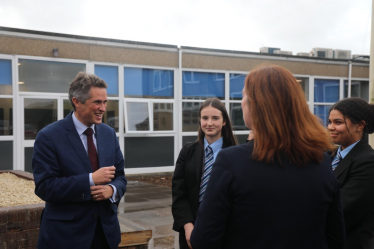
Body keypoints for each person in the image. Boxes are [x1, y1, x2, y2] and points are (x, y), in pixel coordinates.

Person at [190, 65, 345, 249]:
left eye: (243, 96)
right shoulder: (322, 161)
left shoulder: (231, 161)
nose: (241, 102)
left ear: (256, 106)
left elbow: (203, 240)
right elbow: (336, 238)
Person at [32, 72, 127, 249]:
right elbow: (45, 187)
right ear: (76, 101)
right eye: (97, 102)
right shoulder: (49, 136)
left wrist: (112, 189)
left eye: (105, 102)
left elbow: (120, 177)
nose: (103, 108)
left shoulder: (109, 134)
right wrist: (90, 180)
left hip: (106, 235)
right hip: (66, 237)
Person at [172, 98, 237, 249]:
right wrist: (188, 227)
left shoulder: (235, 154)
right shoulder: (187, 151)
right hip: (191, 230)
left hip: (224, 233)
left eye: (215, 118)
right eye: (205, 118)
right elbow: (178, 193)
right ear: (199, 120)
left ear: (224, 121)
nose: (209, 123)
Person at [327, 97, 374, 249]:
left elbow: (343, 208)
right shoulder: (329, 156)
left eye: (338, 122)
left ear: (359, 125)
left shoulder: (368, 161)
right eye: (330, 122)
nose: (330, 127)